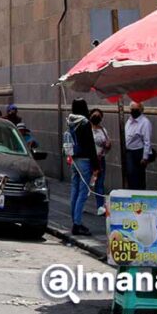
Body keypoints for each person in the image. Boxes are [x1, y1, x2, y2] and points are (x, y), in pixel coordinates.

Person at [66, 98, 97, 236]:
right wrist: (95, 164)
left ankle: (74, 220)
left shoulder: (71, 122)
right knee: (83, 192)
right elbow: (90, 144)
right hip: (84, 159)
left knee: (74, 190)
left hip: (74, 159)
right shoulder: (84, 122)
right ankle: (77, 224)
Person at [124, 101, 152, 190]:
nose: (133, 111)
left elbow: (147, 141)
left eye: (136, 109)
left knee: (138, 177)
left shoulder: (145, 122)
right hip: (128, 152)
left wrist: (145, 157)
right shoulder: (129, 120)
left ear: (141, 110)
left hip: (138, 152)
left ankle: (139, 195)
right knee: (130, 175)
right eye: (132, 109)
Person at [89, 108, 111, 216]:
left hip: (100, 160)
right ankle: (79, 206)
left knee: (100, 183)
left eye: (98, 116)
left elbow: (108, 144)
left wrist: (107, 146)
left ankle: (100, 207)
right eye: (94, 115)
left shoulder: (103, 130)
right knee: (86, 184)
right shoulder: (87, 130)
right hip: (89, 160)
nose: (96, 117)